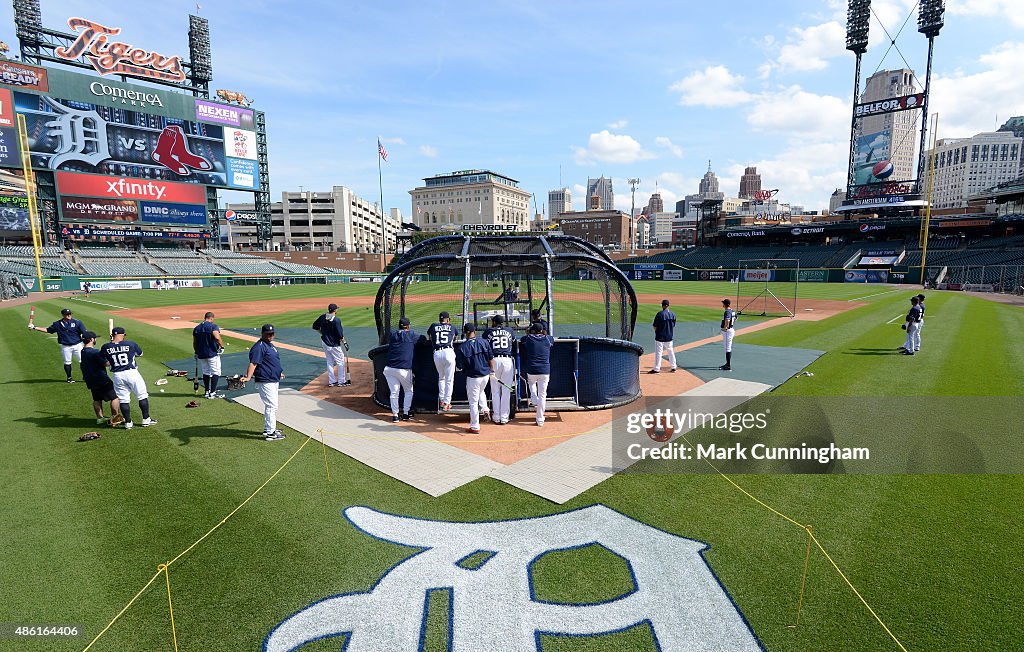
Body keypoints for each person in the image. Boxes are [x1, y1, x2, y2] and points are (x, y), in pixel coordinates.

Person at [101, 326, 157, 429]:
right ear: (122, 335)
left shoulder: (105, 347)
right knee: (142, 395)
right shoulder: (130, 344)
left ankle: (128, 422)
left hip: (117, 376)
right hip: (132, 373)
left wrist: (112, 349)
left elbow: (105, 363)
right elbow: (140, 354)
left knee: (123, 399)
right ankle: (146, 419)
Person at [241, 324, 286, 440]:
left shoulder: (270, 345)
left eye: (272, 334)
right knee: (271, 406)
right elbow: (253, 363)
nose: (271, 336)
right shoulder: (259, 346)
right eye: (268, 334)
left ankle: (269, 428)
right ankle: (270, 433)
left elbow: (271, 362)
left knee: (272, 405)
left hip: (273, 379)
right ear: (262, 334)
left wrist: (278, 372)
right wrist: (248, 377)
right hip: (266, 381)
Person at [31, 307, 88, 383]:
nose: (69, 315)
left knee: (83, 361)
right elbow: (48, 330)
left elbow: (85, 333)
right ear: (63, 315)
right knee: (67, 362)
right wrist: (34, 327)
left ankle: (86, 376)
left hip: (78, 345)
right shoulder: (57, 324)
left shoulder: (77, 322)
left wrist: (87, 341)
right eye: (67, 314)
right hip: (66, 346)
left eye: (70, 314)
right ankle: (69, 378)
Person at [455, 323, 493, 434]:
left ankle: (475, 426)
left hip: (473, 378)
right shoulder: (484, 342)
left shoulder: (462, 347)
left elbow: (460, 366)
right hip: (485, 375)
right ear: (474, 332)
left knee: (473, 402)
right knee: (481, 392)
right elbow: (491, 358)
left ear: (464, 334)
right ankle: (485, 409)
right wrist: (492, 371)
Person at [383, 317, 419, 422]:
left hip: (389, 369)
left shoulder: (393, 334)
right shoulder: (411, 334)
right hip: (403, 369)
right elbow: (422, 339)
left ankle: (395, 415)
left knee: (394, 392)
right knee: (409, 391)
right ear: (408, 326)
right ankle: (406, 414)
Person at [80, 331, 120, 425]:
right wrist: (112, 356)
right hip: (101, 378)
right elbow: (106, 364)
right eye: (95, 338)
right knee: (114, 397)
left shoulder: (83, 351)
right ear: (91, 340)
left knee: (97, 399)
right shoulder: (95, 352)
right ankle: (115, 417)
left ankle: (100, 418)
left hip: (90, 379)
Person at [520, 323, 554, 426]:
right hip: (544, 370)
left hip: (532, 369)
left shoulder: (529, 338)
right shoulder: (548, 338)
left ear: (533, 330)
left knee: (531, 383)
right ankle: (540, 420)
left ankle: (534, 399)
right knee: (542, 395)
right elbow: (550, 339)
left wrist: (528, 332)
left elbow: (522, 339)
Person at [484, 314, 516, 425]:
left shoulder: (488, 331)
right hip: (507, 361)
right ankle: (504, 417)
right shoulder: (509, 330)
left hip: (494, 361)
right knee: (506, 390)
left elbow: (485, 344)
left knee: (495, 390)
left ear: (494, 322)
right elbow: (514, 342)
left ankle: (496, 416)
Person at [312, 303, 349, 387]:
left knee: (329, 361)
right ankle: (341, 381)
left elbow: (315, 326)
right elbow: (340, 335)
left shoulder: (322, 317)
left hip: (325, 343)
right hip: (334, 345)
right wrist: (345, 343)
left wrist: (322, 333)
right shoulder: (336, 320)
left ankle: (331, 381)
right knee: (340, 362)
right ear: (335, 310)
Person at [427, 311, 457, 411]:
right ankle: (447, 403)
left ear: (439, 319)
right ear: (448, 319)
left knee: (441, 378)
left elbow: (429, 337)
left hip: (437, 353)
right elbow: (455, 338)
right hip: (448, 352)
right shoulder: (452, 327)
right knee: (449, 380)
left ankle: (442, 400)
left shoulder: (433, 326)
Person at [193, 311, 225, 399]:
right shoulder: (213, 326)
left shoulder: (197, 328)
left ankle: (207, 391)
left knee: (206, 372)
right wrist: (222, 347)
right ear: (212, 318)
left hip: (201, 354)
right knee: (216, 372)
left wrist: (196, 352)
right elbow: (217, 337)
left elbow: (195, 342)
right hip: (212, 353)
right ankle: (212, 393)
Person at [650, 299, 677, 374]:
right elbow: (673, 325)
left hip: (660, 336)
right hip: (669, 336)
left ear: (663, 305)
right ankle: (673, 367)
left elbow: (655, 326)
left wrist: (657, 332)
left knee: (659, 352)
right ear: (668, 305)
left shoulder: (660, 314)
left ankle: (657, 368)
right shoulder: (673, 314)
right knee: (670, 351)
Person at [720, 298, 737, 371]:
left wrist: (725, 328)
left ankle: (728, 365)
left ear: (725, 304)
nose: (722, 304)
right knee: (727, 347)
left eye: (723, 303)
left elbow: (727, 320)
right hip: (731, 330)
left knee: (727, 348)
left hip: (728, 331)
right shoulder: (732, 311)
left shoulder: (727, 312)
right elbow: (736, 318)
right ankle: (727, 364)